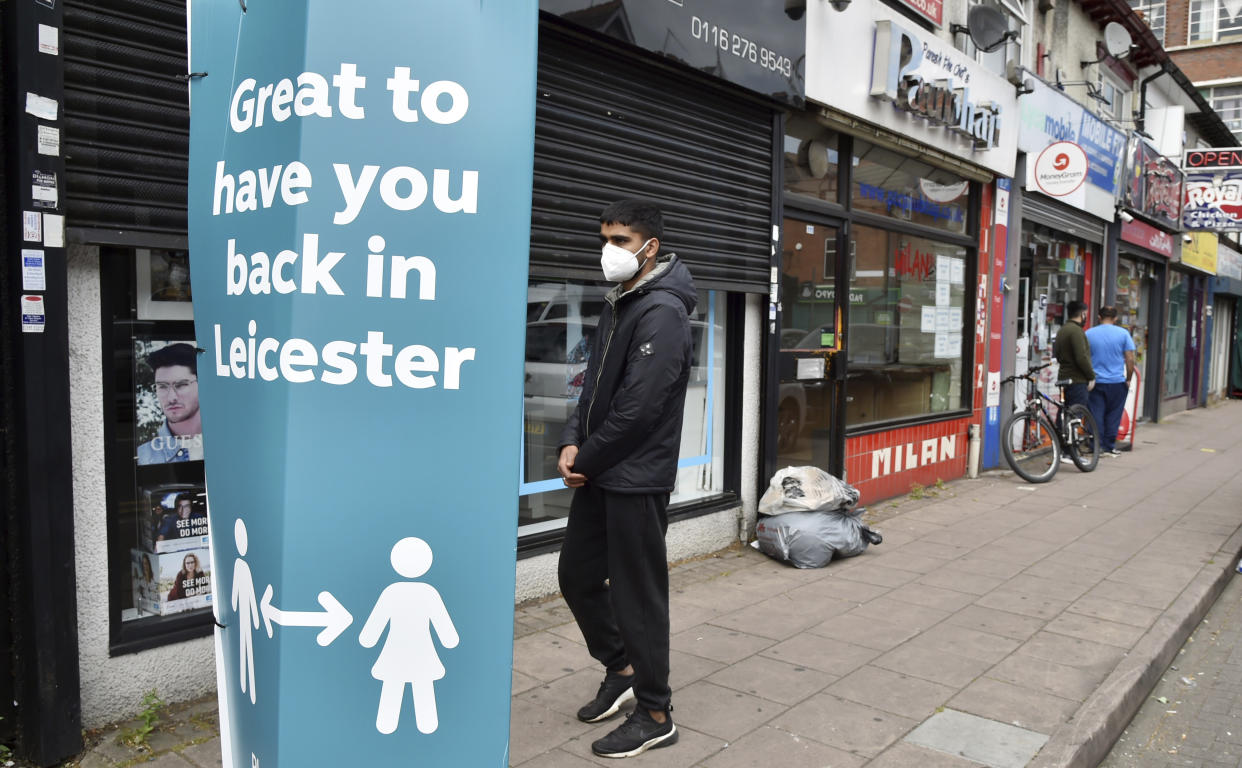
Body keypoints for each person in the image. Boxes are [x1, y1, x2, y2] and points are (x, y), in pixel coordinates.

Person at [556, 199, 695, 758]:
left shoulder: (661, 310)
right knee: (576, 576)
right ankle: (622, 667)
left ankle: (656, 712)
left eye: (620, 240)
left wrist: (585, 458)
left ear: (649, 247)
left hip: (634, 476)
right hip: (599, 468)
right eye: (605, 238)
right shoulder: (621, 301)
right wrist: (571, 438)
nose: (609, 250)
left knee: (638, 596)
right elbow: (590, 384)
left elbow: (639, 409)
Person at [137, 343, 203, 464]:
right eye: (162, 386)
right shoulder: (142, 458)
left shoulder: (228, 444)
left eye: (181, 385)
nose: (171, 397)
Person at [1085, 306, 1136, 457]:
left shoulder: (1089, 333)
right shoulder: (1123, 334)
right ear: (1115, 318)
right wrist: (1128, 378)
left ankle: (1096, 446)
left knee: (1096, 414)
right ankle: (1109, 446)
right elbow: (1130, 359)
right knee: (1114, 415)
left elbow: (1085, 356)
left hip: (1096, 381)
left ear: (1099, 317)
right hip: (1117, 381)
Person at [1053, 300, 1095, 410]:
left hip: (1063, 378)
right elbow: (1081, 357)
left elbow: (1057, 354)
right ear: (1083, 314)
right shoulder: (1077, 331)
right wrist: (1091, 376)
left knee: (1064, 411)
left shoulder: (1062, 330)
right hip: (1077, 380)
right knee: (1076, 413)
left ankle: (1060, 428)